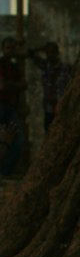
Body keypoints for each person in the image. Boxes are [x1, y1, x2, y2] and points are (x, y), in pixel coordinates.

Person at [28, 41, 71, 131]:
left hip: (62, 104)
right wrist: (42, 48)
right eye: (48, 53)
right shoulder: (45, 67)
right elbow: (30, 53)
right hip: (49, 106)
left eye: (53, 52)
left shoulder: (66, 68)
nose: (50, 55)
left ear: (57, 53)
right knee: (49, 129)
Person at [0, 36, 25, 176]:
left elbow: (24, 85)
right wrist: (16, 85)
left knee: (18, 139)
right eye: (7, 48)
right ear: (3, 49)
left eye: (12, 48)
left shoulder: (15, 68)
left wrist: (9, 85)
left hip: (10, 107)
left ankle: (5, 172)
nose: (10, 51)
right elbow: (2, 86)